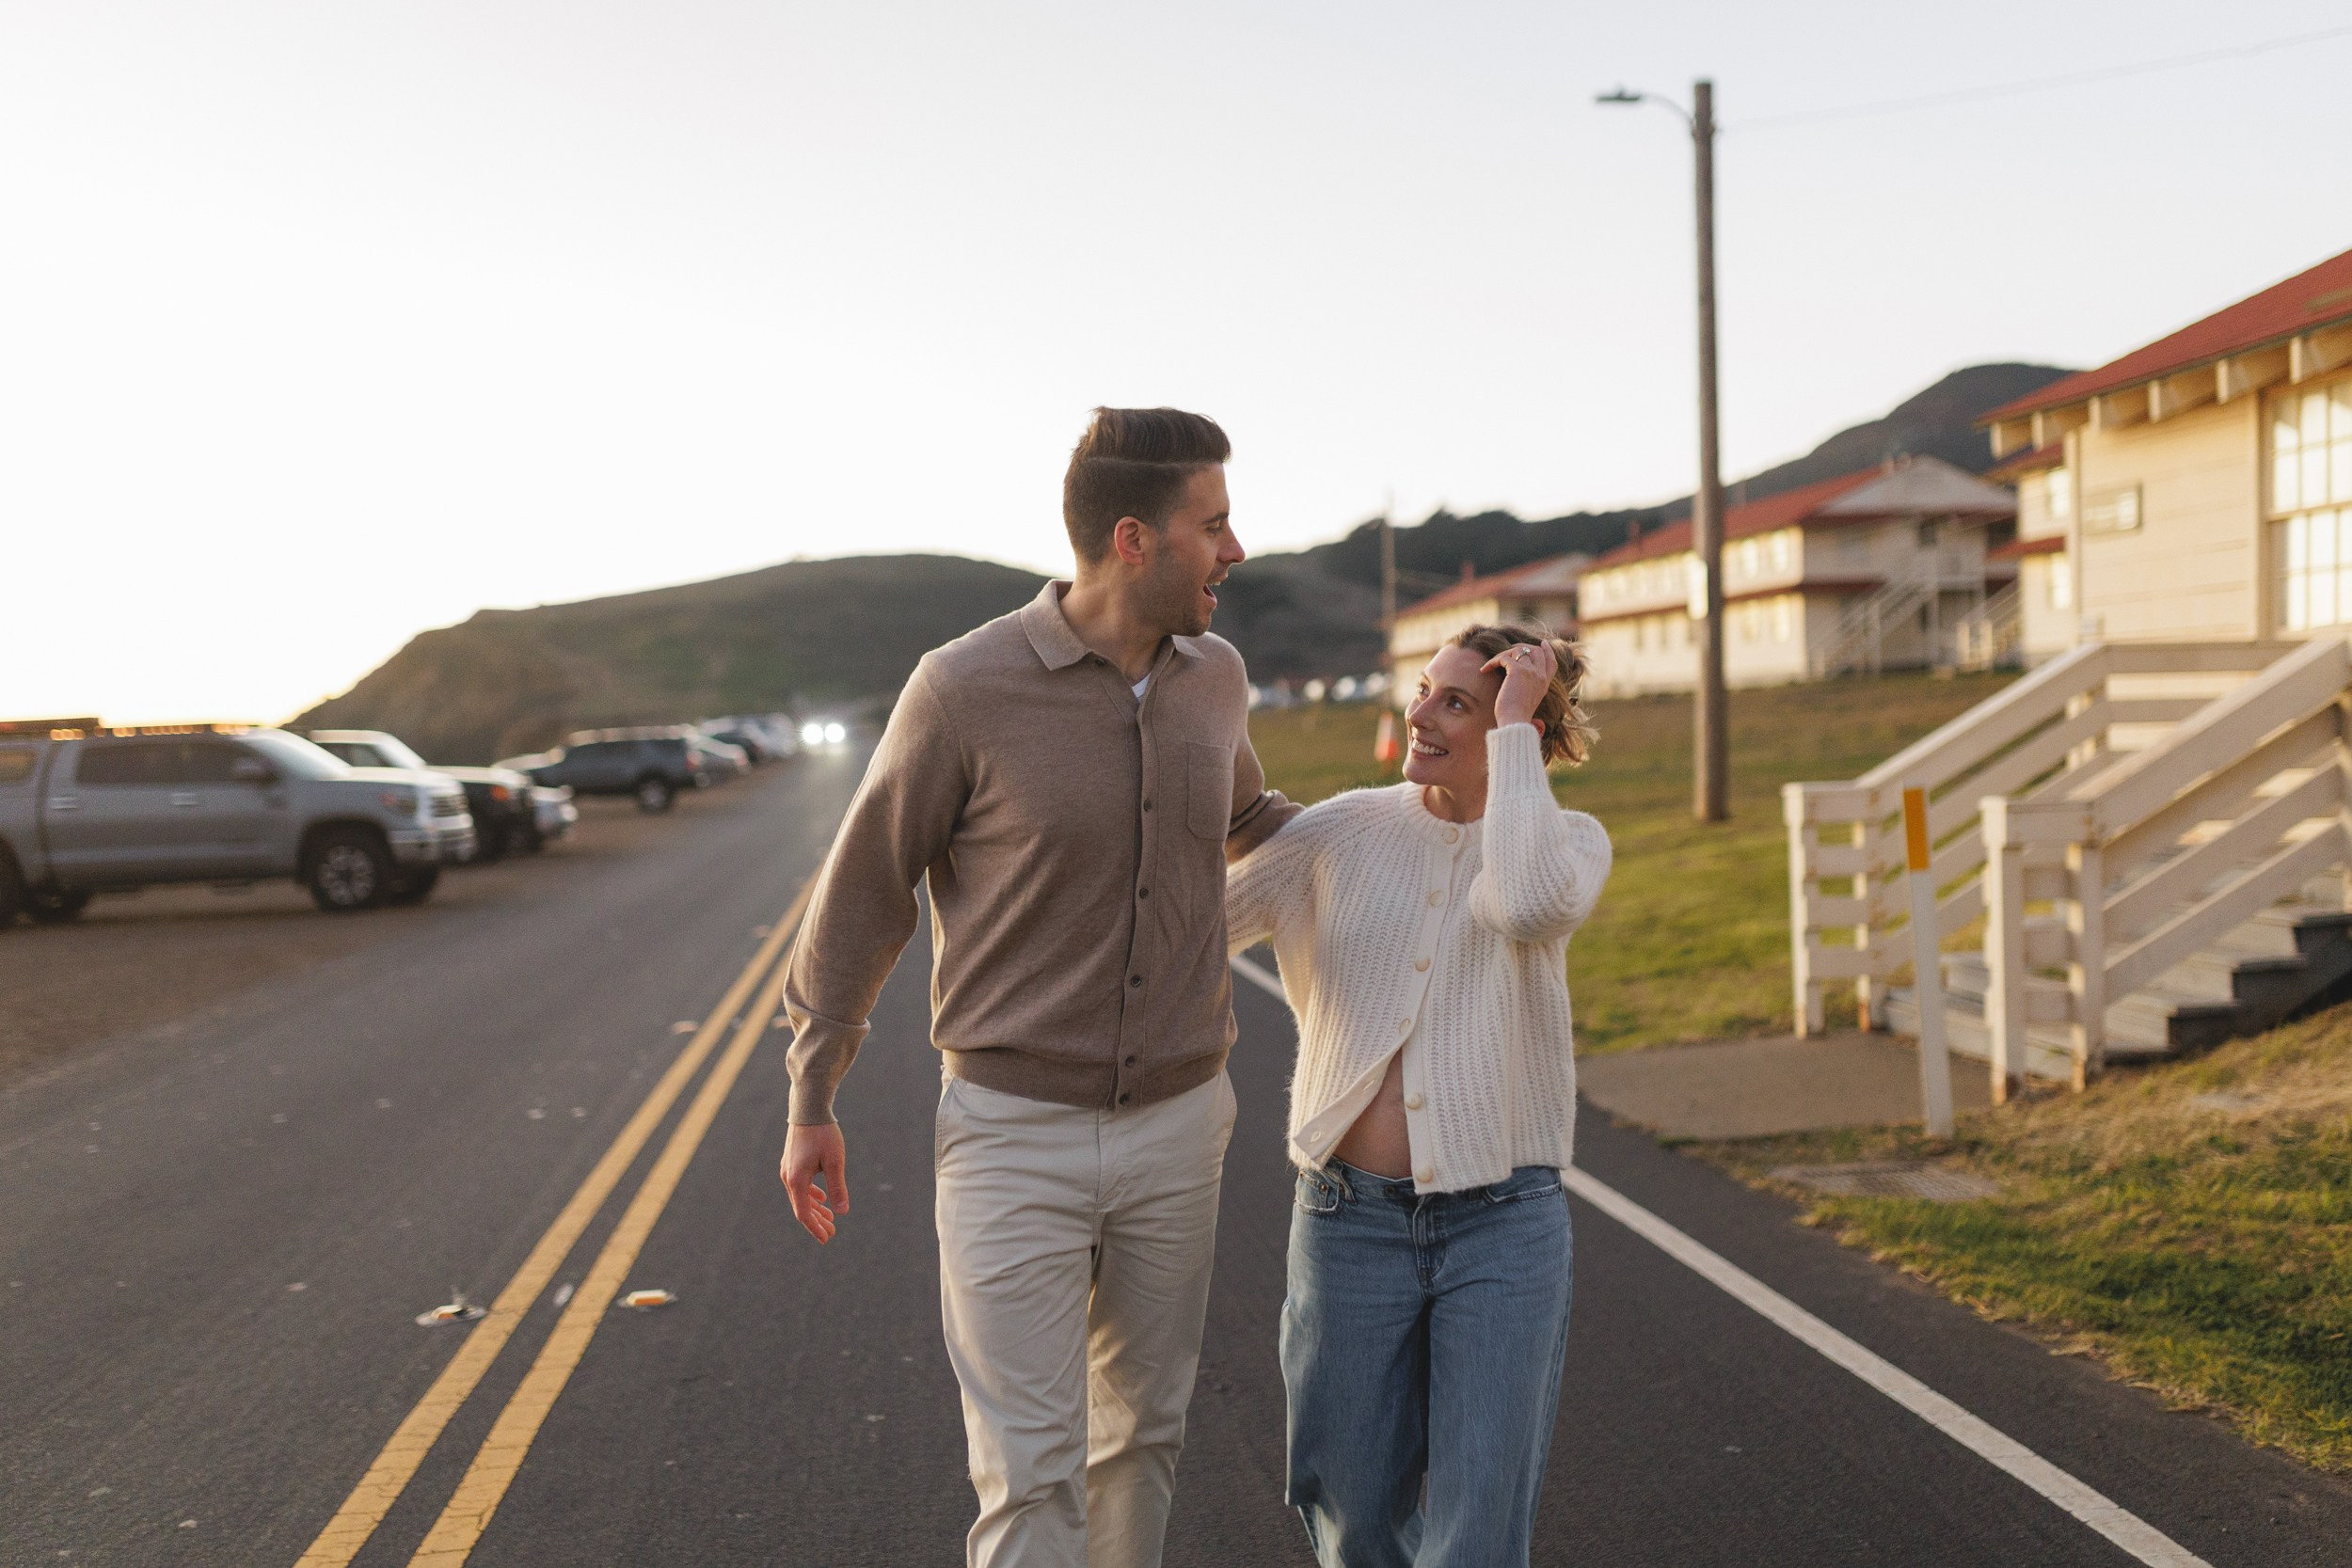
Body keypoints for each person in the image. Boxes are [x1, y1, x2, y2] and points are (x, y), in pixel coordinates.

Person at [778, 406, 1295, 1568]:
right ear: (1131, 539)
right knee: (1031, 1469)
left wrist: (1417, 826)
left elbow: (1252, 822)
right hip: (1013, 1137)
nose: (1236, 548)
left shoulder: (1217, 678)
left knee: (1141, 1438)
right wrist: (815, 1094)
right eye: (1213, 523)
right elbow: (866, 887)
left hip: (1179, 1127)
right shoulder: (962, 686)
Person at [1227, 624, 1609, 1568]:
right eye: (1423, 689)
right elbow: (1191, 929)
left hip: (1503, 1222)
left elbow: (1517, 903)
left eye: (1457, 703)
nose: (1420, 712)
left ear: (1521, 734)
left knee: (1478, 1532)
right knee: (1349, 1506)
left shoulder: (1565, 843)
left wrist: (1515, 720)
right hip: (1346, 1216)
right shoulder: (1341, 830)